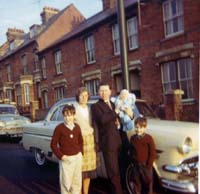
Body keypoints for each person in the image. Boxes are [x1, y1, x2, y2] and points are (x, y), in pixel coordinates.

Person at [91, 83, 123, 194]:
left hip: (118, 141)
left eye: (106, 90)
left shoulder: (114, 104)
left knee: (119, 170)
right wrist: (116, 112)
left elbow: (118, 120)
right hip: (108, 143)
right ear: (98, 93)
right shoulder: (95, 106)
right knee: (113, 171)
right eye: (101, 91)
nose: (104, 93)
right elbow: (103, 120)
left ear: (110, 91)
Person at [51, 104, 83, 194]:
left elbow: (81, 141)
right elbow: (53, 144)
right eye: (65, 116)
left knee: (76, 182)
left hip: (77, 158)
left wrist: (80, 152)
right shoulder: (59, 128)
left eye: (69, 115)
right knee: (66, 183)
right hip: (66, 159)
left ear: (73, 115)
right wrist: (62, 156)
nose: (67, 118)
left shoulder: (77, 127)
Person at [74, 87, 97, 194]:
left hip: (90, 141)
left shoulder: (90, 108)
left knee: (88, 172)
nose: (83, 98)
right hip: (79, 142)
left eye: (85, 95)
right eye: (81, 95)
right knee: (79, 171)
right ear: (78, 97)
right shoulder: (73, 109)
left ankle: (86, 192)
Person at [129, 116, 156, 194]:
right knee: (137, 183)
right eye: (137, 127)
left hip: (146, 165)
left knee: (148, 184)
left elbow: (152, 153)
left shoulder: (149, 138)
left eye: (141, 127)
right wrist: (132, 162)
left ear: (145, 128)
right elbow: (131, 151)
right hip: (135, 165)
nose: (138, 130)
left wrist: (149, 165)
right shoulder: (133, 138)